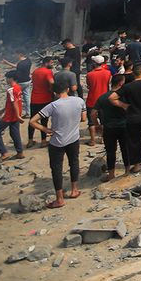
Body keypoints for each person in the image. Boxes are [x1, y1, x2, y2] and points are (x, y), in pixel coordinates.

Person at [30, 80, 85, 208]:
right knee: (74, 162)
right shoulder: (79, 101)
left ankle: (59, 199)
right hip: (74, 138)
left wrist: (45, 129)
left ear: (55, 92)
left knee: (56, 169)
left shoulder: (53, 106)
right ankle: (74, 190)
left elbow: (32, 121)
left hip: (57, 141)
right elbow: (83, 118)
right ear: (67, 89)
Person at [93, 74, 129, 182]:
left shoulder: (103, 97)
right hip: (124, 126)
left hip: (108, 127)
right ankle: (127, 171)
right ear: (121, 83)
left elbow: (93, 113)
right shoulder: (123, 96)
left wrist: (97, 125)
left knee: (110, 151)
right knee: (125, 149)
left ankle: (111, 174)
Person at [0, 71, 25, 161]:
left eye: (7, 78)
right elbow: (12, 102)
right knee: (14, 133)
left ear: (11, 78)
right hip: (14, 115)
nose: (6, 80)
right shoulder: (18, 88)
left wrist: (17, 115)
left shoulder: (11, 90)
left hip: (10, 116)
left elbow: (14, 104)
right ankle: (20, 152)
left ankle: (4, 153)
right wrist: (2, 111)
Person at [27, 57, 55, 146]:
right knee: (44, 120)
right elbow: (51, 82)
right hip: (45, 99)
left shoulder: (35, 71)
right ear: (46, 63)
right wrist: (52, 90)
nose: (52, 64)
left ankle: (30, 140)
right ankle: (43, 141)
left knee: (32, 119)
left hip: (34, 99)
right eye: (51, 62)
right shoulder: (48, 72)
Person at [85, 55, 112, 146]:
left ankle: (92, 140)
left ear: (94, 64)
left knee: (91, 121)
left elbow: (89, 86)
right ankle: (103, 139)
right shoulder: (108, 73)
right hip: (104, 99)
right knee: (104, 120)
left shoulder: (89, 74)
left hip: (92, 99)